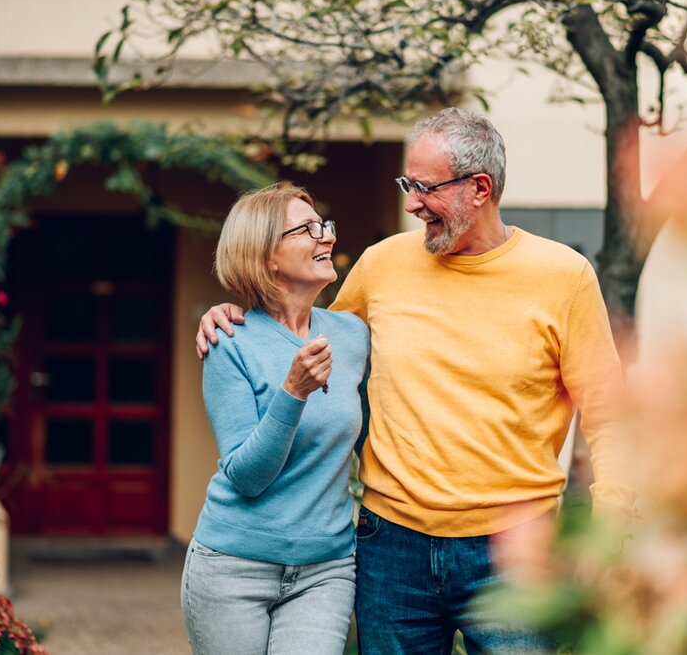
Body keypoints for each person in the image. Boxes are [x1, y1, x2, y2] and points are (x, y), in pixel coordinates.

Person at [196, 108, 632, 654]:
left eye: (425, 188)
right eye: (407, 184)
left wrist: (609, 528)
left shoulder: (563, 276)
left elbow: (609, 411)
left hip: (516, 552)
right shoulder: (381, 266)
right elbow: (303, 332)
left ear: (479, 188)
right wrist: (231, 314)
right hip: (391, 548)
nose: (411, 204)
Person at [182, 182, 370, 655]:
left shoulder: (353, 336)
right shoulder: (229, 343)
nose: (326, 236)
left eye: (323, 225)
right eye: (307, 229)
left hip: (325, 568)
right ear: (267, 256)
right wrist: (293, 392)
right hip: (232, 566)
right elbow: (246, 477)